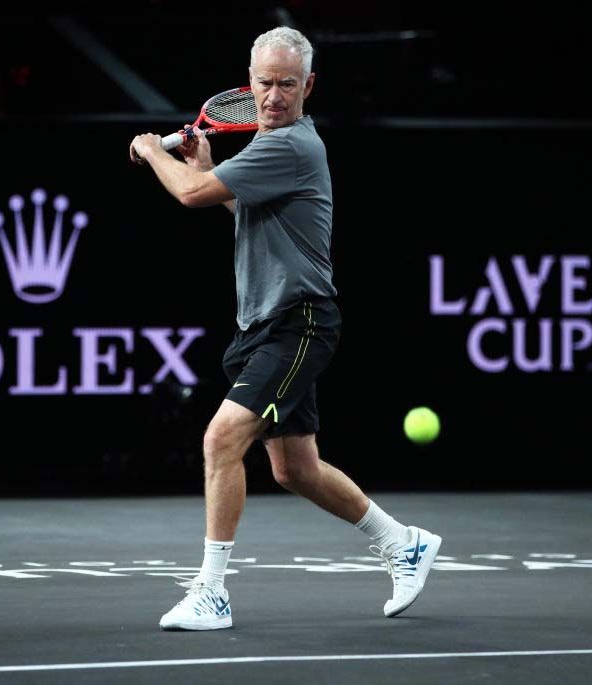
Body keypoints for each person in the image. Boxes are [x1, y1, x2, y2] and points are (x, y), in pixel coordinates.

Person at [129, 26, 441, 631]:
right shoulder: (268, 148)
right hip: (263, 324)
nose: (273, 97)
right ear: (250, 84)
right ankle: (404, 543)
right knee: (292, 468)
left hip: (298, 323)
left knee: (222, 440)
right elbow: (235, 206)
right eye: (265, 84)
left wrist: (153, 151)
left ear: (308, 86)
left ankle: (212, 593)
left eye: (287, 85)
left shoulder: (292, 145)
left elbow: (191, 194)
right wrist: (210, 167)